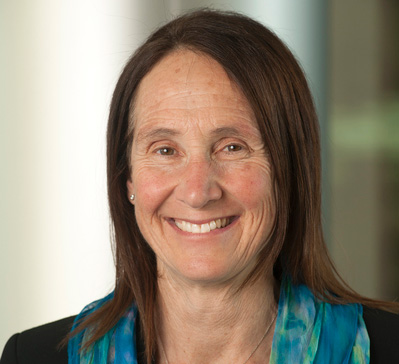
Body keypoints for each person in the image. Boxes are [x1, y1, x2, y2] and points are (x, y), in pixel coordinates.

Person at [2, 9, 399, 364]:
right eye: (165, 150)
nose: (197, 191)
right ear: (128, 180)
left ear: (290, 170)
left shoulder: (390, 348)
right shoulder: (32, 357)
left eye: (231, 147)